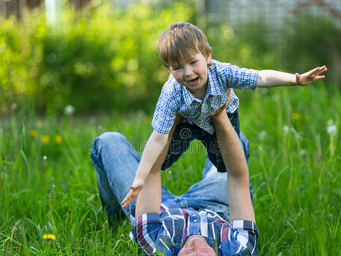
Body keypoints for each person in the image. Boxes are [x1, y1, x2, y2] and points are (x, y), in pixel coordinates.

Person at [121, 22, 327, 208]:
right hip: (187, 121)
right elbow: (157, 138)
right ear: (168, 69)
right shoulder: (171, 92)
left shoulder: (222, 72)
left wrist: (295, 79)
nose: (188, 73)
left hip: (223, 116)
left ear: (208, 55)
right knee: (160, 160)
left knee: (225, 164)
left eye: (193, 62)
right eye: (177, 68)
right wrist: (140, 176)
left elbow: (260, 76)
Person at [91, 102, 257, 256]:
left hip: (160, 208)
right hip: (214, 206)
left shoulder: (154, 250)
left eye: (186, 254)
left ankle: (115, 218)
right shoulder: (240, 252)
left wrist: (172, 118)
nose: (195, 242)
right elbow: (237, 177)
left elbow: (152, 172)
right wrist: (219, 115)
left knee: (107, 141)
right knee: (239, 140)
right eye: (207, 253)